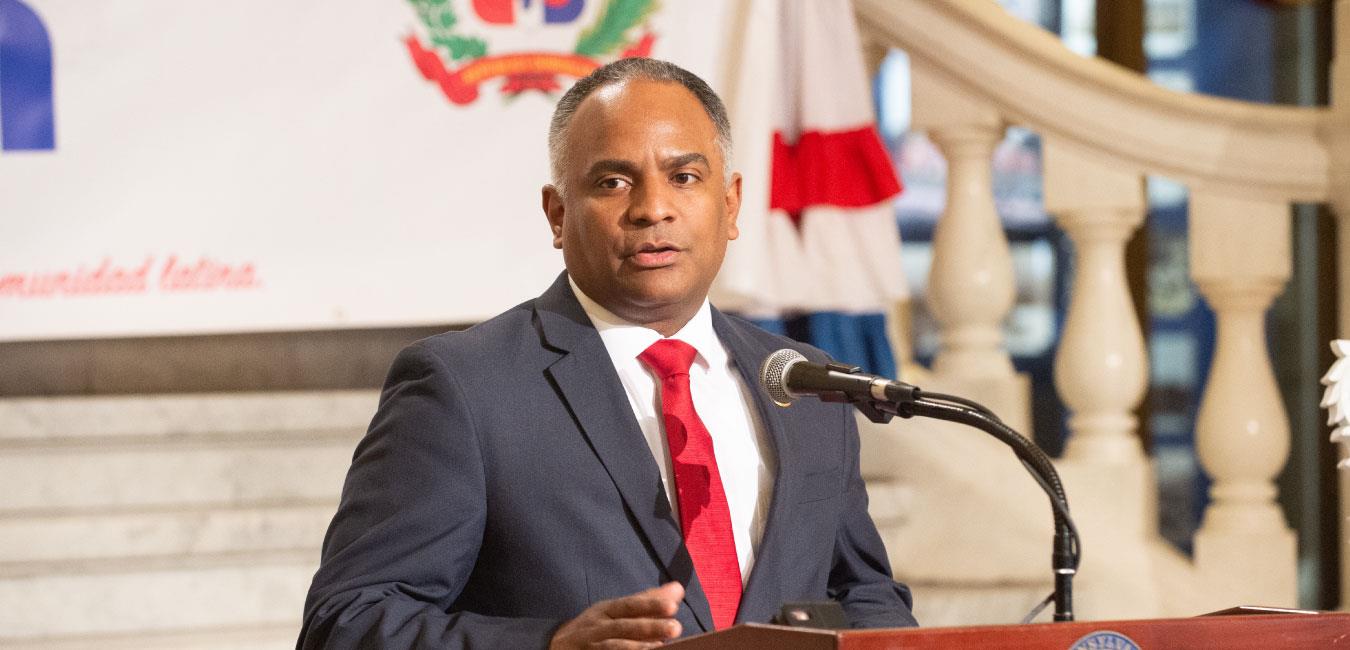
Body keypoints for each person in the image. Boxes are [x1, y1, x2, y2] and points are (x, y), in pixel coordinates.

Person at [298, 58, 916, 650]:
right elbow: (347, 622)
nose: (653, 208)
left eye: (684, 176)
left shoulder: (801, 384)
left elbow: (861, 593)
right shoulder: (464, 387)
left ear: (730, 204)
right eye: (613, 182)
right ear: (558, 214)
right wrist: (549, 645)